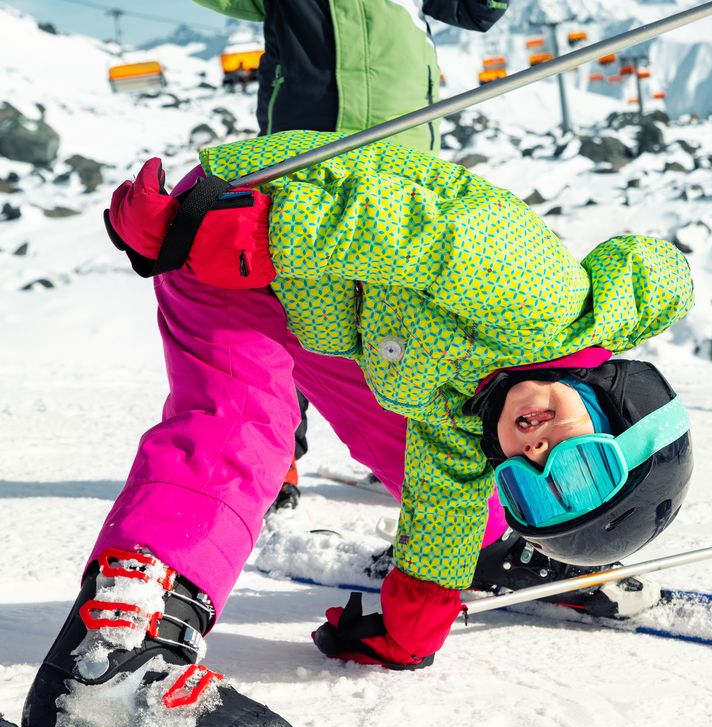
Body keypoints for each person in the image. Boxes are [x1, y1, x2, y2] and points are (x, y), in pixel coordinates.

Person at [11, 129, 694, 727]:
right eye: (580, 467)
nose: (541, 455)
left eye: (537, 492)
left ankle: (495, 543)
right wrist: (248, 235)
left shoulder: (475, 414)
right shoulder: (543, 298)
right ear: (617, 401)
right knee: (244, 425)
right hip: (255, 221)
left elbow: (444, 492)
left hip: (338, 307)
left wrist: (416, 617)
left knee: (414, 444)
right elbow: (410, 230)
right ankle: (116, 656)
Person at [191, 0, 511, 513]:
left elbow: (478, 9)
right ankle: (273, 459)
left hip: (402, 161)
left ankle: (420, 461)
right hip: (305, 154)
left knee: (405, 323)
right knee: (290, 311)